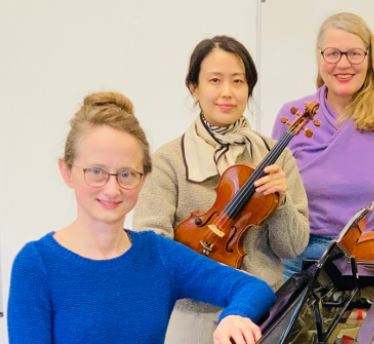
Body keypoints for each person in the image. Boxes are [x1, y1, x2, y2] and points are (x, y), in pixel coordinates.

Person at [7, 92, 276, 344]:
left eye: (126, 174)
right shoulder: (36, 265)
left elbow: (253, 287)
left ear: (143, 178)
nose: (112, 189)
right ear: (67, 172)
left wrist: (234, 315)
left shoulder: (159, 255)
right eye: (97, 172)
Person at [133, 35, 310, 343]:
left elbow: (293, 248)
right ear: (194, 87)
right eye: (215, 80)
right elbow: (151, 242)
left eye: (238, 81)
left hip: (261, 313)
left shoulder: (275, 155)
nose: (227, 92)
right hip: (192, 315)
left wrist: (281, 203)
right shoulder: (168, 160)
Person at [272, 12, 374, 279]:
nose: (343, 64)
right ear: (320, 57)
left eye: (354, 53)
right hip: (297, 256)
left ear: (368, 58)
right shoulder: (294, 114)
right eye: (333, 53)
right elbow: (270, 188)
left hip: (367, 254)